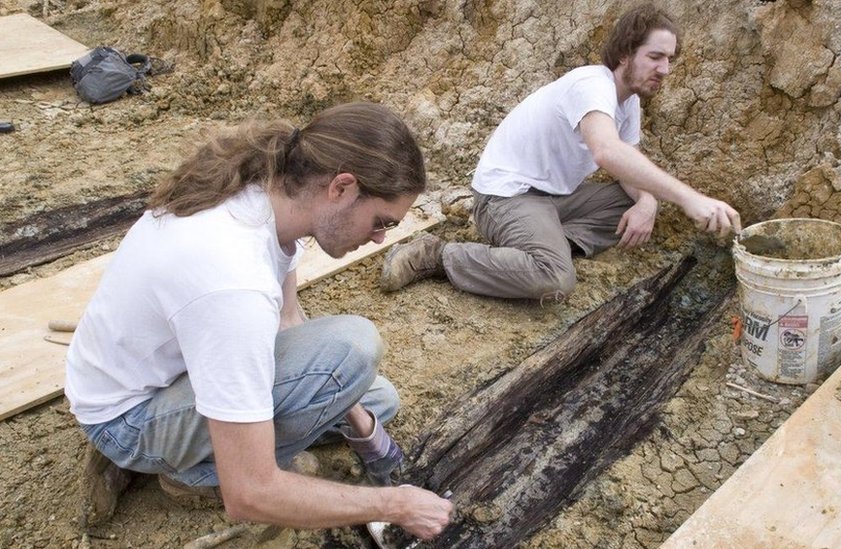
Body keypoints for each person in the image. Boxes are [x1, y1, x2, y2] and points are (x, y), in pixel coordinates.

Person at [65, 102, 453, 538]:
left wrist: (360, 423)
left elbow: (289, 322)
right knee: (352, 347)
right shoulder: (234, 280)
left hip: (171, 368)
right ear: (342, 188)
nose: (380, 237)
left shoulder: (274, 197)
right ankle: (188, 474)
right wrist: (394, 504)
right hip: (127, 416)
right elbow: (248, 493)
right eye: (381, 221)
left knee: (375, 398)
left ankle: (219, 444)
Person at [379, 3, 741, 301]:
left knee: (634, 204)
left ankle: (542, 244)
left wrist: (648, 203)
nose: (664, 69)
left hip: (552, 200)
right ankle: (436, 255)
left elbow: (627, 169)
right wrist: (690, 198)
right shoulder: (591, 84)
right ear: (625, 54)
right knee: (554, 280)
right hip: (505, 199)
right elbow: (607, 152)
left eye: (669, 59)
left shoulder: (627, 103)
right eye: (656, 57)